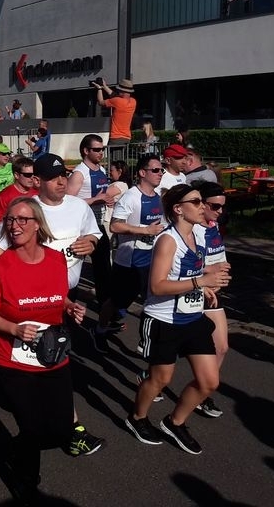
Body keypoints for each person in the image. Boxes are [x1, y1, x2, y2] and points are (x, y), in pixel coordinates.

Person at [0, 197, 85, 497]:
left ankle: (17, 446)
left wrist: (70, 307)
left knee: (63, 427)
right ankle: (26, 479)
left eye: (23, 219)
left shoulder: (55, 260)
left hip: (52, 354)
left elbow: (58, 297)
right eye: (11, 220)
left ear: (38, 224)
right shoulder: (1, 268)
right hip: (12, 358)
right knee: (33, 426)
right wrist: (13, 328)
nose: (14, 226)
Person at [125, 184, 230, 454]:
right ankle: (137, 418)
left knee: (209, 382)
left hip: (192, 318)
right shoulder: (167, 240)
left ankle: (175, 422)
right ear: (178, 209)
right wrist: (200, 281)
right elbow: (157, 286)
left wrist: (205, 286)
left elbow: (190, 270)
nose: (203, 206)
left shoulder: (198, 233)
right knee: (160, 379)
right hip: (164, 319)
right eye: (196, 202)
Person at [92, 154, 166, 354]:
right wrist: (145, 230)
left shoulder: (158, 195)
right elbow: (115, 225)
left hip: (153, 260)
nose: (160, 174)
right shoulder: (131, 197)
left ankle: (148, 341)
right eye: (156, 170)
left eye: (162, 170)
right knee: (116, 301)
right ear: (142, 173)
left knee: (153, 302)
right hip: (130, 261)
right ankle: (100, 330)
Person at [190, 181, 230, 418]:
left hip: (214, 292)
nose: (219, 211)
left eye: (223, 207)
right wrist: (210, 270)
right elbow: (184, 264)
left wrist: (223, 269)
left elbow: (217, 254)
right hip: (194, 290)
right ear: (201, 204)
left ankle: (202, 393)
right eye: (215, 206)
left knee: (222, 347)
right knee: (175, 351)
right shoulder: (191, 230)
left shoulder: (214, 225)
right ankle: (152, 374)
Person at [67, 134, 113, 308]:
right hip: (81, 228)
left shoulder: (100, 170)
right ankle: (67, 306)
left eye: (102, 149)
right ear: (86, 151)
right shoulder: (79, 173)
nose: (101, 153)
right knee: (74, 268)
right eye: (97, 150)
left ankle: (106, 309)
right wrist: (95, 200)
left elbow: (102, 195)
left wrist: (107, 200)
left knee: (103, 270)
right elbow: (68, 201)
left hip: (98, 225)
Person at [0, 156, 38, 230]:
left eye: (34, 174)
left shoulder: (38, 192)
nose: (32, 177)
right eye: (27, 175)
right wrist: (15, 228)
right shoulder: (3, 196)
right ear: (16, 175)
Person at [95, 78, 137, 161]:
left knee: (114, 164)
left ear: (122, 91)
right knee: (121, 162)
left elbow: (101, 102)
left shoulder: (117, 101)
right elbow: (114, 95)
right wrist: (104, 86)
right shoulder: (133, 101)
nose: (118, 92)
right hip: (127, 137)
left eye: (119, 90)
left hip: (116, 137)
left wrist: (99, 89)